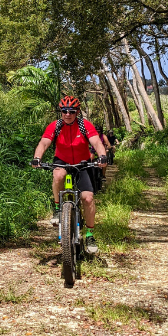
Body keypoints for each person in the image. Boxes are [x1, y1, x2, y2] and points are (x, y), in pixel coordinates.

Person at [31, 95, 107, 254]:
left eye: (71, 111)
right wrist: (37, 158)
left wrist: (102, 156)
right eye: (64, 111)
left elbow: (96, 142)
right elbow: (44, 142)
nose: (67, 114)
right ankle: (58, 209)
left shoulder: (84, 125)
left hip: (83, 163)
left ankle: (90, 235)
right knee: (58, 175)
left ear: (77, 112)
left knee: (87, 197)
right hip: (62, 161)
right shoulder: (55, 126)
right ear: (61, 112)